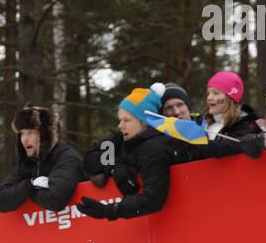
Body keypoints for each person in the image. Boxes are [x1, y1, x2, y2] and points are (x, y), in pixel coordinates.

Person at [78, 85, 189, 221]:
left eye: (180, 105)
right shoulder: (124, 137)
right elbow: (92, 161)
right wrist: (114, 166)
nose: (176, 112)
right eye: (168, 108)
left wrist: (107, 210)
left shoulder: (159, 146)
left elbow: (152, 200)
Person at [0, 106, 85, 213]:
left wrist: (25, 192)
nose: (24, 139)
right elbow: (2, 201)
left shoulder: (67, 157)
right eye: (22, 133)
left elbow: (55, 200)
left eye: (31, 132)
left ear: (45, 135)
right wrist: (30, 184)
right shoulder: (26, 164)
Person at [202, 71, 259, 139]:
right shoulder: (203, 123)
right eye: (208, 93)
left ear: (230, 98)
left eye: (216, 93)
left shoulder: (245, 127)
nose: (209, 98)